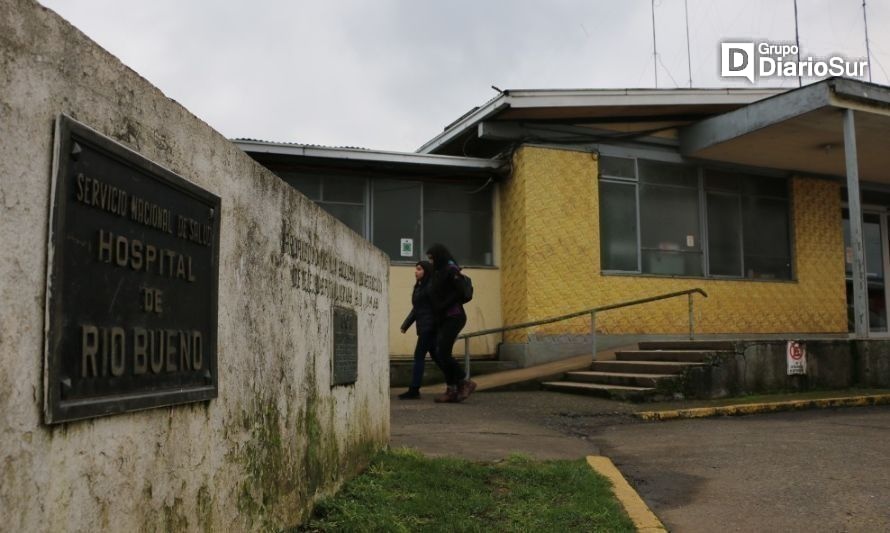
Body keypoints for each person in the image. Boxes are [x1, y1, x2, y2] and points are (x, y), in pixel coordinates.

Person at [425, 243, 477, 403]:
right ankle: (452, 390)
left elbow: (460, 292)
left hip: (454, 316)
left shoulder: (451, 269)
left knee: (443, 352)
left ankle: (464, 381)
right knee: (438, 351)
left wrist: (443, 305)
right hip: (442, 317)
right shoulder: (438, 272)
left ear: (439, 256)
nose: (431, 262)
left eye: (432, 259)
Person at [397, 260, 437, 400]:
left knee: (418, 356)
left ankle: (414, 389)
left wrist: (436, 326)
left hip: (429, 328)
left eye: (419, 269)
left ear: (426, 271)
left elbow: (437, 308)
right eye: (416, 269)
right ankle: (458, 380)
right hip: (424, 327)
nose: (416, 271)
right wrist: (405, 325)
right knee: (438, 357)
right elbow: (417, 309)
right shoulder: (419, 287)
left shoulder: (431, 287)